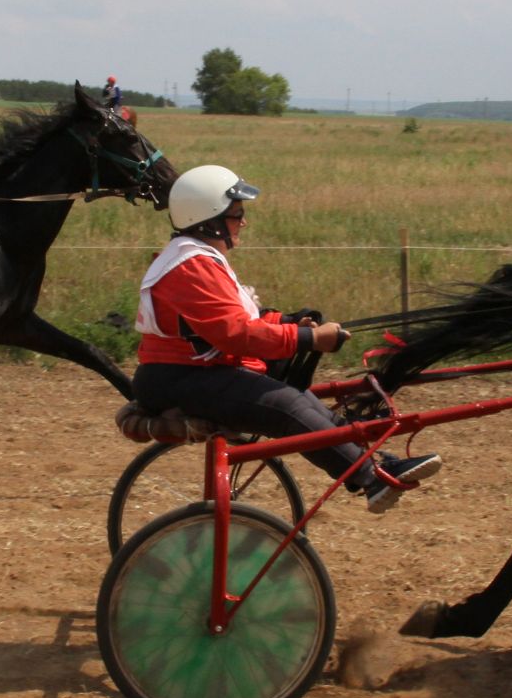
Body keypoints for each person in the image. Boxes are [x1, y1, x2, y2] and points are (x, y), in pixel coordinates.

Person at [132, 164, 442, 514]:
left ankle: (371, 462)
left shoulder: (197, 258)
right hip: (176, 379)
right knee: (285, 406)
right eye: (237, 215)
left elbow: (241, 320)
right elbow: (235, 334)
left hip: (189, 373)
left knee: (299, 396)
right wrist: (307, 338)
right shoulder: (191, 266)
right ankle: (370, 478)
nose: (243, 222)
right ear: (208, 219)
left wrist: (291, 322)